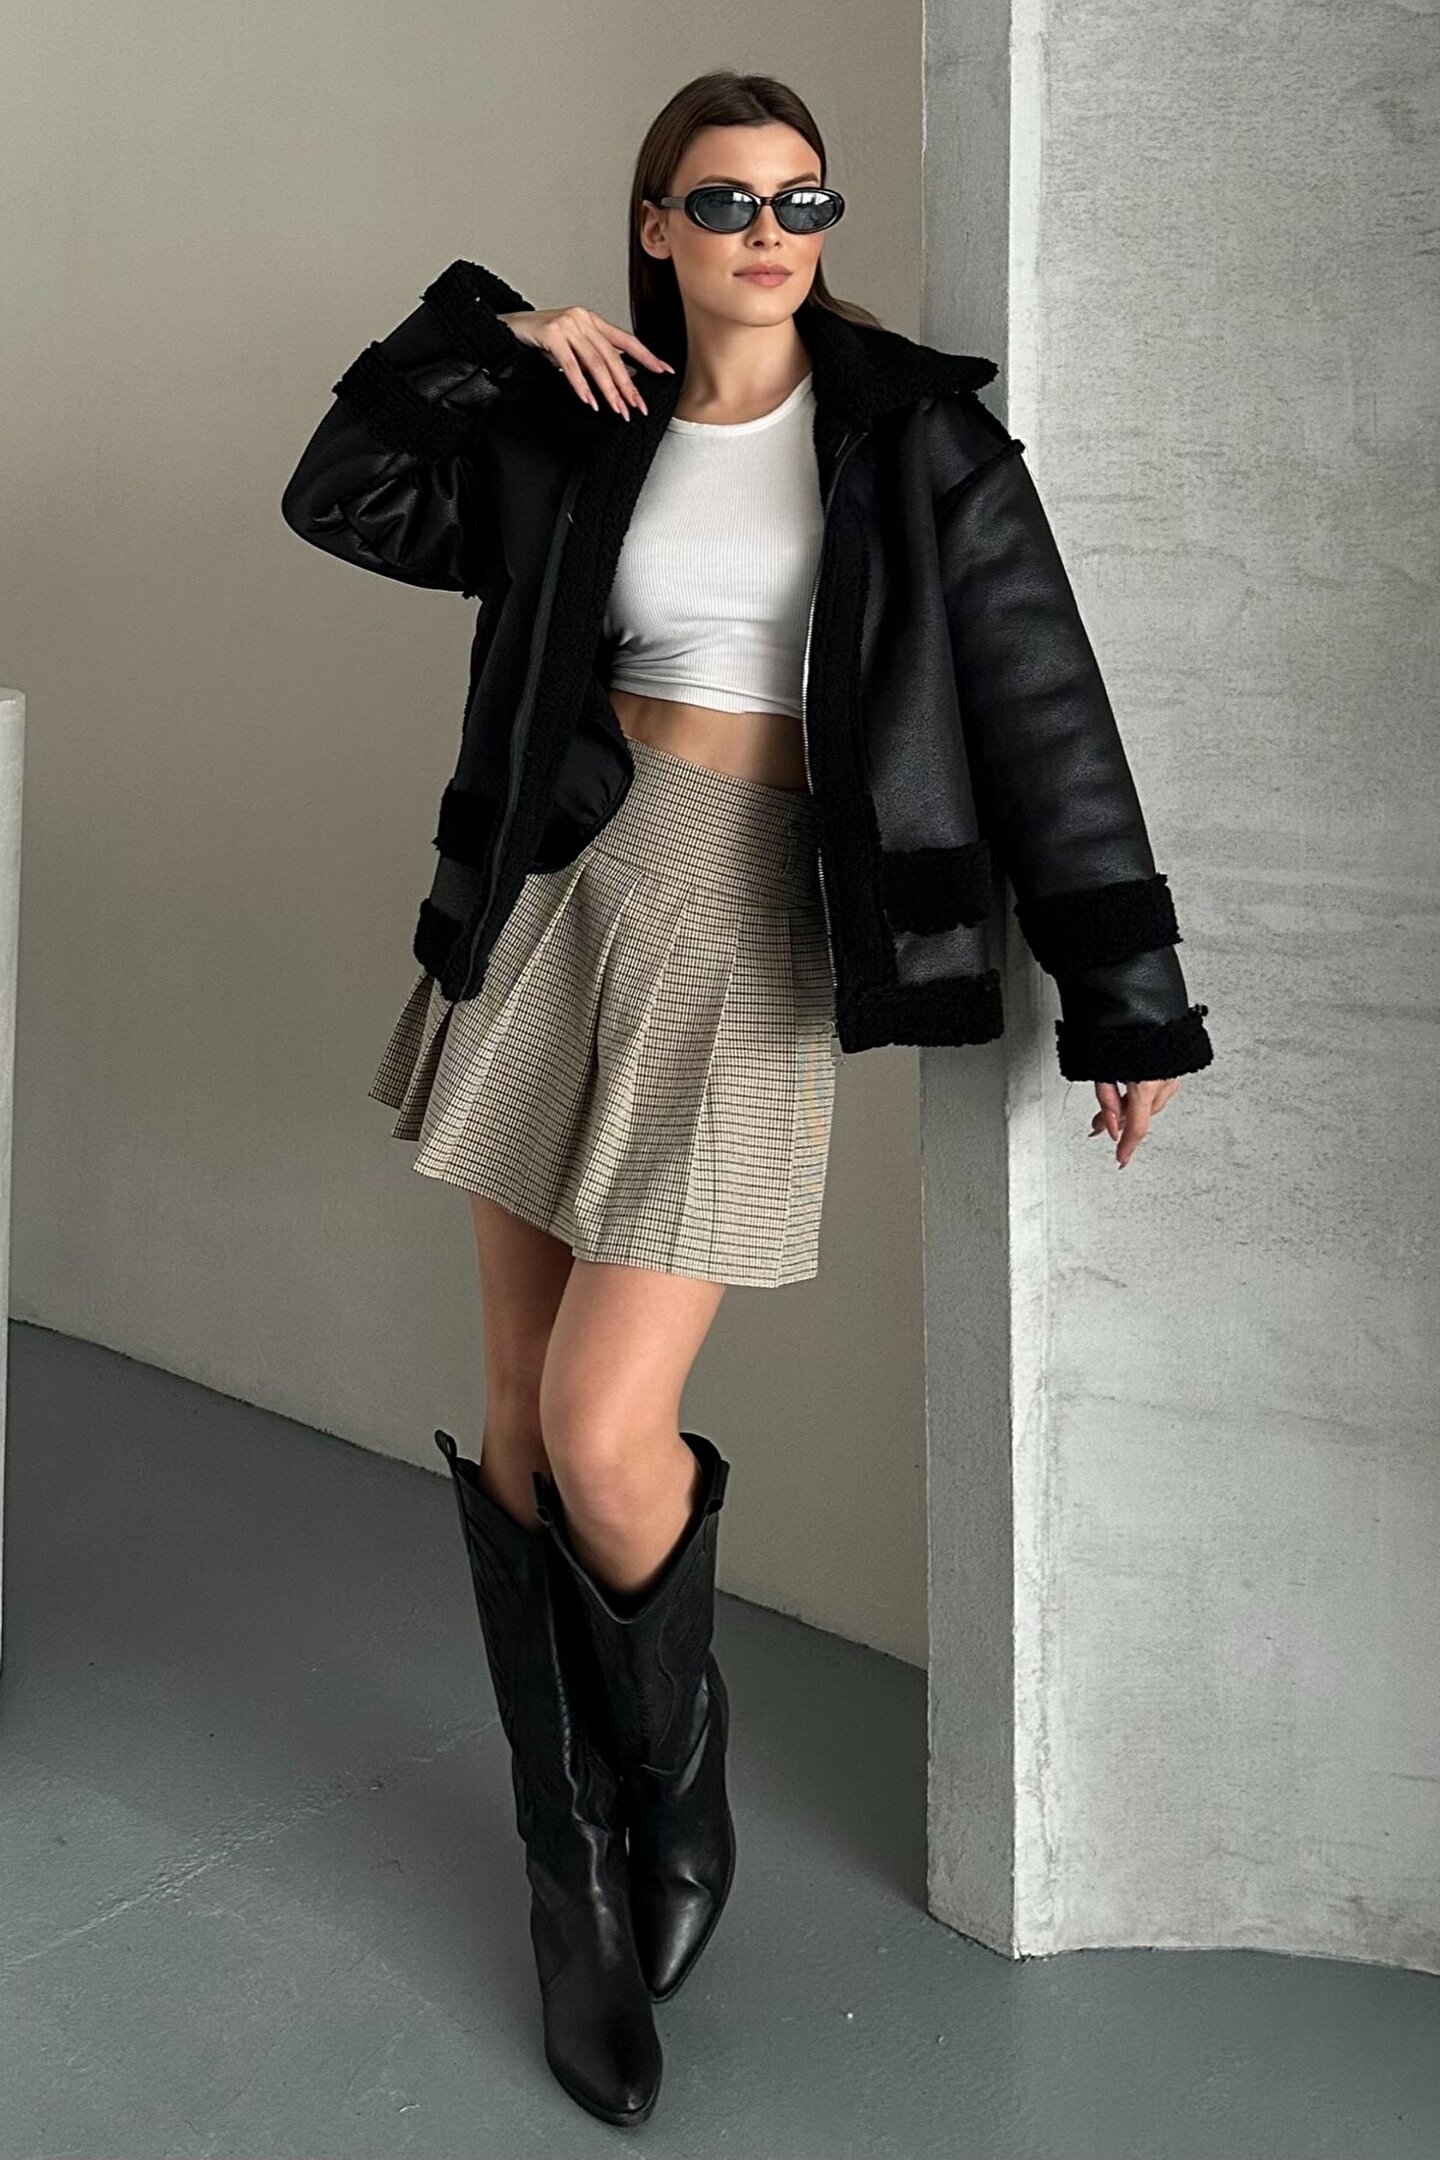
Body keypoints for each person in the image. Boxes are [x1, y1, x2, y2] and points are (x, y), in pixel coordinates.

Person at [280, 67, 1213, 2133]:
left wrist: (1129, 999)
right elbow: (340, 497)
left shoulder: (911, 436)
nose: (770, 231)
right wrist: (483, 334)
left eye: (802, 198)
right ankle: (571, 1875)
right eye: (725, 200)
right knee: (518, 1414)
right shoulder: (577, 417)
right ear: (655, 228)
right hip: (558, 893)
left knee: (607, 1430)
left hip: (752, 922)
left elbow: (1047, 711)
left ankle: (671, 1789)